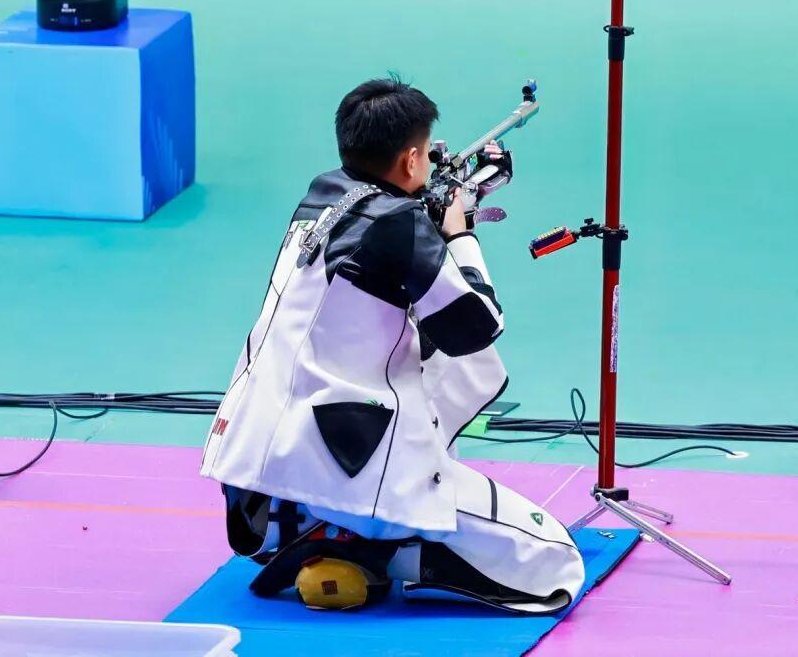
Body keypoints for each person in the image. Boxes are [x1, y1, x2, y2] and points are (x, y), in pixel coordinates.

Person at [200, 76, 584, 612]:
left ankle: (327, 532)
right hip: (349, 471)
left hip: (259, 484)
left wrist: (426, 220)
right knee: (555, 562)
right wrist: (460, 232)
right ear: (410, 160)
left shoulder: (319, 196)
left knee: (423, 357)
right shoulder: (401, 223)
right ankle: (385, 549)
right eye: (425, 154)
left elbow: (377, 265)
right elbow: (477, 327)